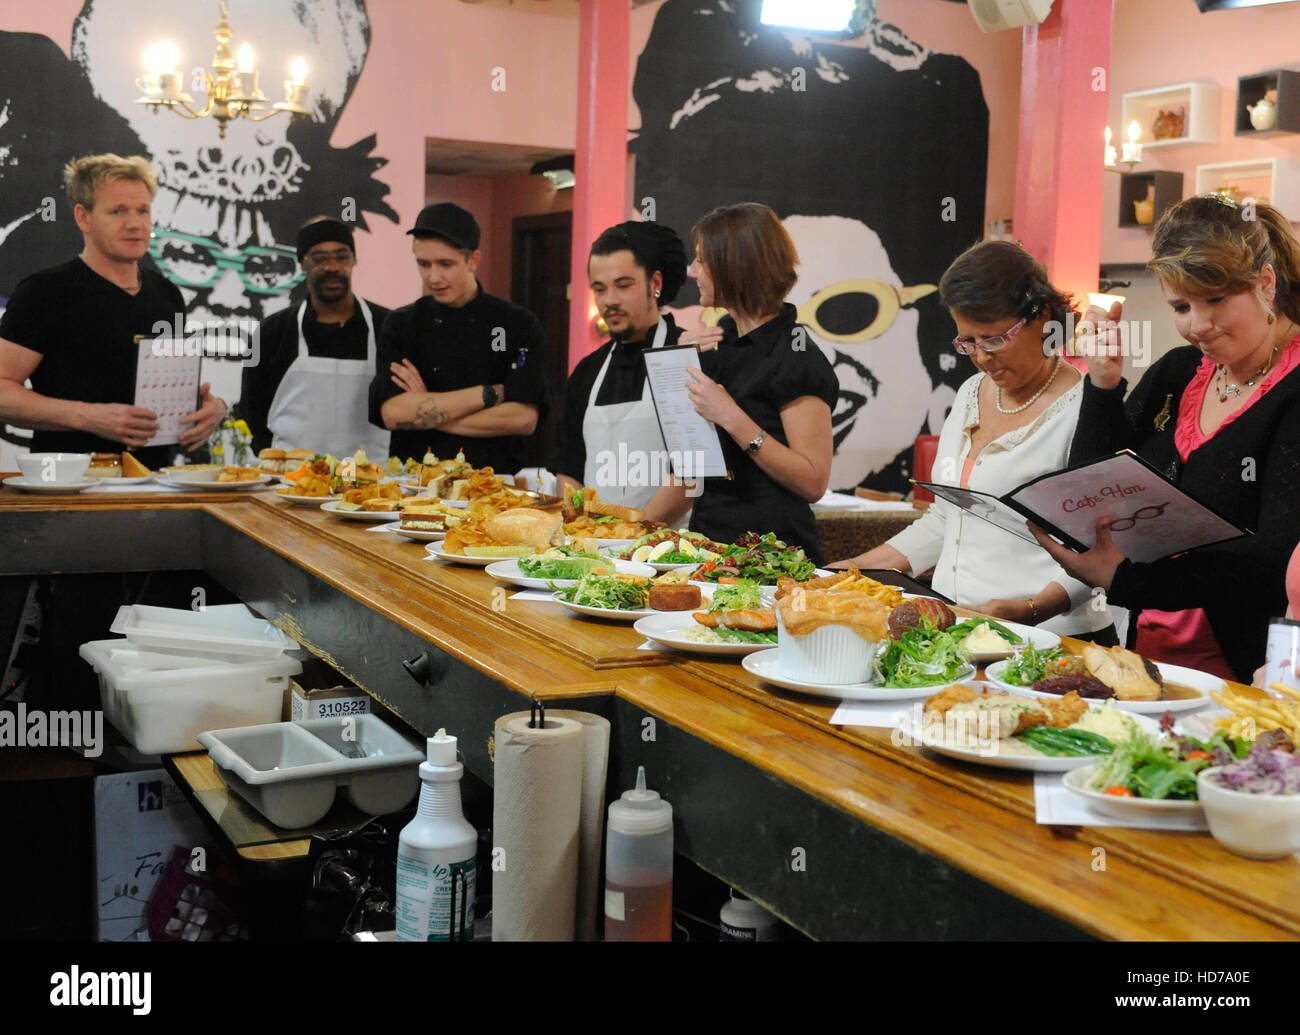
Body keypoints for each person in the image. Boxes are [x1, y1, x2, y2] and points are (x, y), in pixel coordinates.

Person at [1035, 194, 1300, 683]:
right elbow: (1090, 489)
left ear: (1266, 283)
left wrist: (1127, 580)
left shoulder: (1293, 391)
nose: (1198, 325)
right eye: (1181, 306)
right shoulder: (1179, 371)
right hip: (1152, 644)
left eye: (1216, 300)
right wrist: (1103, 384)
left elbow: (1272, 561)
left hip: (1248, 665)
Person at [830, 241, 1115, 641]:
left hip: (1053, 636)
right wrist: (853, 571)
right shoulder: (970, 393)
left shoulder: (1089, 409)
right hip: (961, 626)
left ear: (1041, 318)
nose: (981, 357)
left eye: (993, 339)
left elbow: (1103, 548)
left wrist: (1033, 609)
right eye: (967, 342)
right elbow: (946, 521)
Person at [0, 153, 225, 467]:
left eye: (142, 210)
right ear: (84, 217)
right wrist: (87, 416)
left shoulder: (166, 294)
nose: (134, 223)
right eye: (118, 211)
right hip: (69, 484)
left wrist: (209, 409)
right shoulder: (44, 292)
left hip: (156, 482)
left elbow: (156, 388)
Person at [643, 203, 836, 564]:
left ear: (735, 266)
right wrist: (631, 532)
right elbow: (692, 471)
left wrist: (731, 416)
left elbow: (813, 481)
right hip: (709, 550)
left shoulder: (795, 355)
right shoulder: (720, 342)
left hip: (773, 560)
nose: (691, 271)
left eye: (702, 261)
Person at [369, 203, 548, 470]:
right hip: (416, 482)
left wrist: (428, 410)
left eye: (446, 264)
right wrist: (489, 394)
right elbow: (393, 413)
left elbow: (523, 419)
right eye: (423, 264)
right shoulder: (400, 324)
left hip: (495, 482)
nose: (433, 277)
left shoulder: (517, 323)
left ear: (473, 260)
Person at [551, 221, 688, 508]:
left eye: (623, 286)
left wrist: (635, 531)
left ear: (656, 284)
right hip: (593, 533)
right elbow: (569, 465)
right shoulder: (587, 371)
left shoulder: (684, 356)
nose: (609, 300)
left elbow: (691, 473)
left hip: (669, 534)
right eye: (599, 289)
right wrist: (576, 523)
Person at [240, 217, 391, 458]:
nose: (332, 267)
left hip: (373, 475)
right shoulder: (271, 331)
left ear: (354, 260)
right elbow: (252, 411)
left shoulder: (388, 327)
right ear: (302, 263)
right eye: (319, 258)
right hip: (291, 475)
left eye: (342, 256)